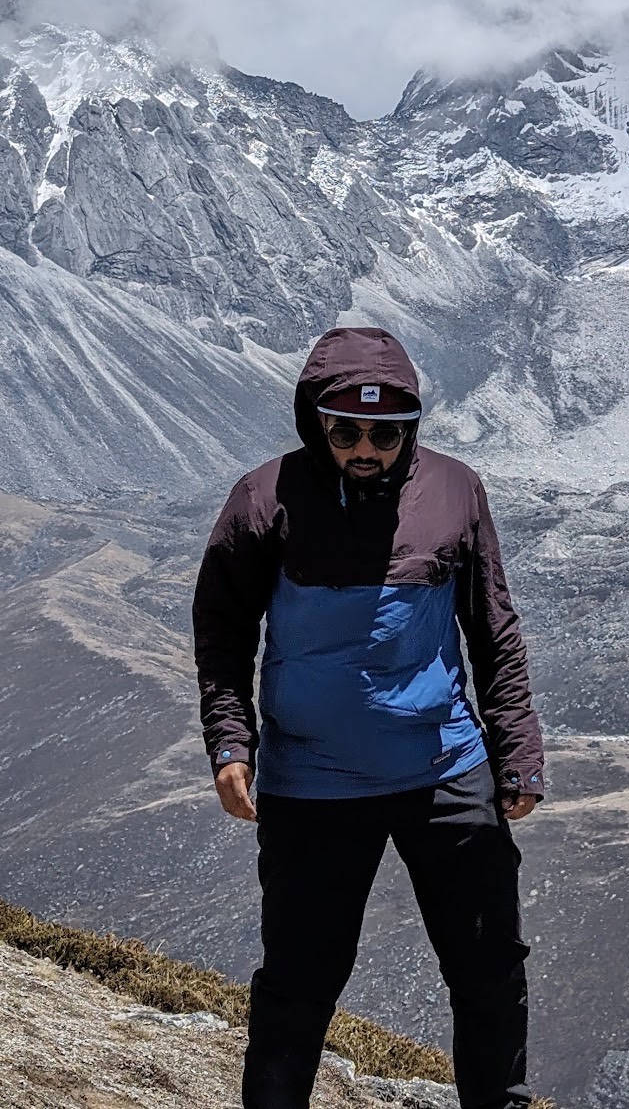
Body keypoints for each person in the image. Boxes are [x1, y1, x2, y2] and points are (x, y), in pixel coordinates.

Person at [192, 325, 543, 1109]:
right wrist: (229, 741)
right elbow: (221, 631)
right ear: (314, 419)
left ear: (409, 427)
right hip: (312, 784)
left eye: (384, 433)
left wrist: (517, 753)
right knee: (299, 984)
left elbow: (494, 631)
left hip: (447, 770)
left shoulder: (456, 491)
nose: (364, 447)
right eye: (344, 428)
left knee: (489, 971)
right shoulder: (262, 499)